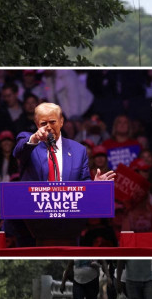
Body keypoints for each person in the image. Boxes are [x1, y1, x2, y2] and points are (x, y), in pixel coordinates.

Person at [9, 102, 115, 246]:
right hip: (34, 226)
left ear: (61, 121)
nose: (48, 126)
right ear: (36, 123)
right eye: (43, 123)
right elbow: (18, 152)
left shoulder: (78, 150)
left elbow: (83, 185)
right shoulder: (27, 140)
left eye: (53, 121)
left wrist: (95, 187)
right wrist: (33, 139)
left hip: (69, 226)